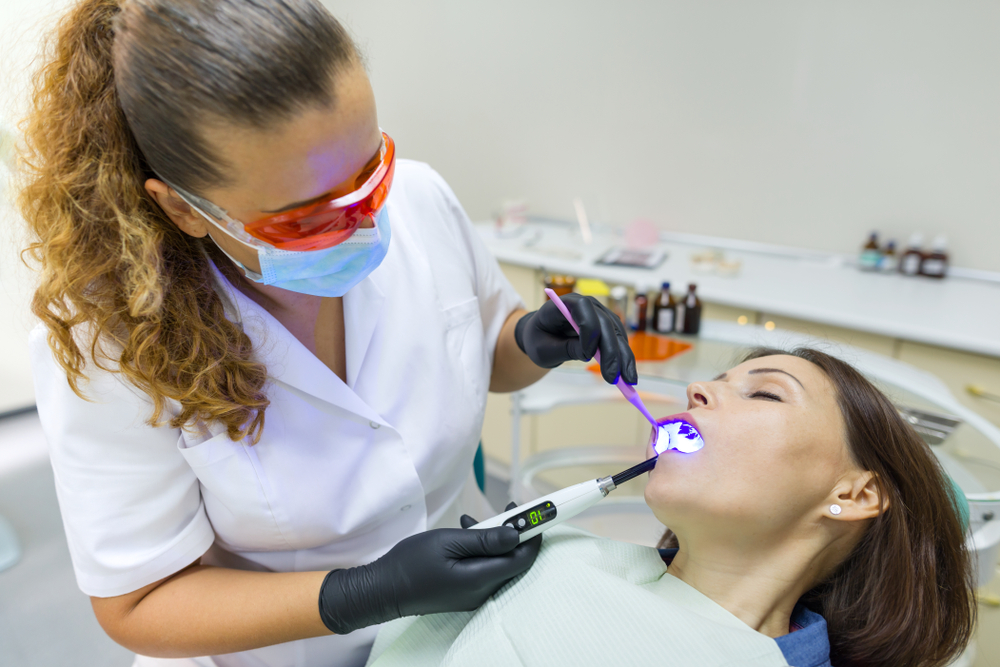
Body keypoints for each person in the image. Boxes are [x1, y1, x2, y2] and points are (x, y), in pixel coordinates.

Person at [16, 1, 637, 666]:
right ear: (183, 208)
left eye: (371, 175)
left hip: (467, 630)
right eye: (306, 219)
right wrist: (363, 593)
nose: (365, 225)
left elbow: (489, 352)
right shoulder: (109, 340)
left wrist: (530, 342)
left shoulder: (422, 200)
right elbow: (139, 603)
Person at [365, 348, 976, 667]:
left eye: (764, 392)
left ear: (853, 494)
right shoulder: (562, 552)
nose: (697, 388)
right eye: (718, 379)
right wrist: (373, 593)